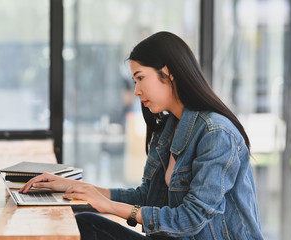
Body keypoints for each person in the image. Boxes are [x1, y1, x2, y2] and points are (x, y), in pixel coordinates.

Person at [20, 31, 264, 240]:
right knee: (85, 223)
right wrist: (78, 187)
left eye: (140, 78)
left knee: (87, 225)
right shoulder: (170, 127)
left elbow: (191, 218)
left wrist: (110, 206)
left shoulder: (216, 133)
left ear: (167, 73)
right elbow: (146, 197)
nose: (136, 91)